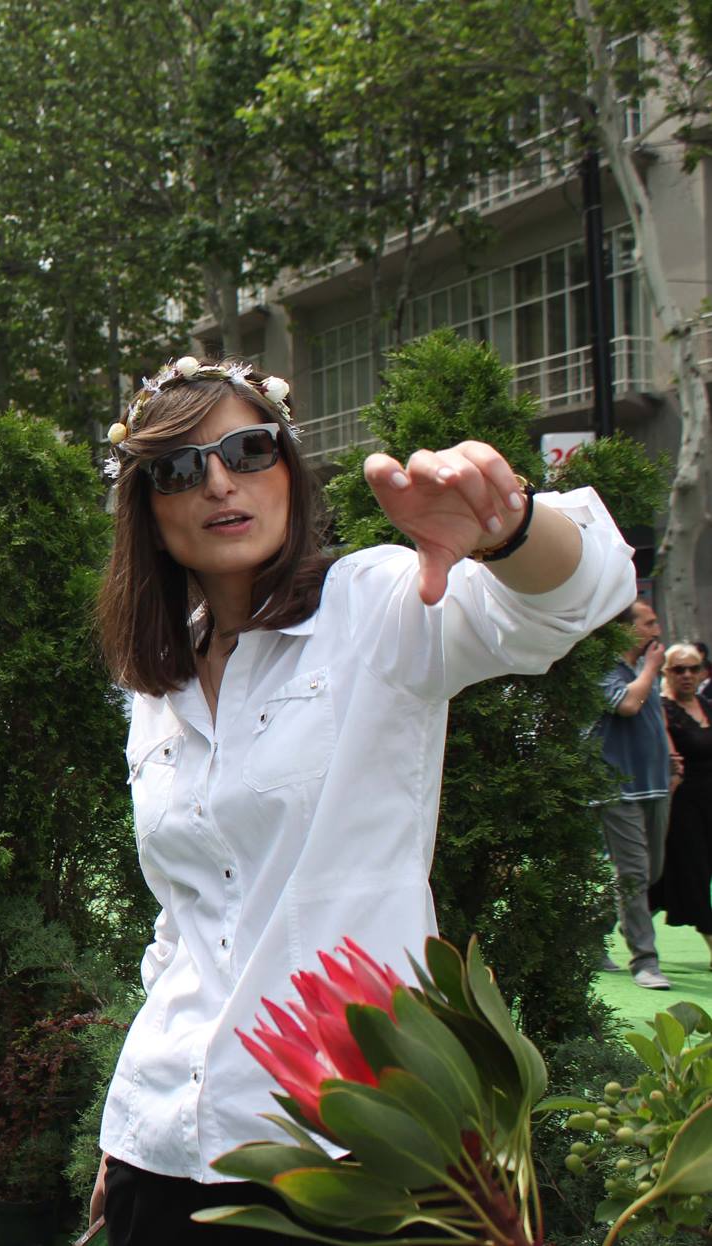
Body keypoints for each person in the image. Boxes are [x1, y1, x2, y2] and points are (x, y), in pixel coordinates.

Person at [88, 356, 635, 1244]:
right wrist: (133, 1134)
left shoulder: (370, 605)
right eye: (179, 469)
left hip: (354, 1144)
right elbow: (187, 920)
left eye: (248, 450)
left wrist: (507, 530)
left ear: (289, 468)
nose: (220, 482)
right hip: (167, 1140)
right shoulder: (158, 682)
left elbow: (569, 601)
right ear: (145, 508)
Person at [596, 598, 675, 989]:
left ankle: (587, 932)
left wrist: (671, 759)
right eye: (649, 623)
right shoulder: (604, 669)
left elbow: (653, 716)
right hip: (618, 789)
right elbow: (628, 704)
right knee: (634, 874)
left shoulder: (644, 670)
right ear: (626, 628)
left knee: (649, 872)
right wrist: (650, 670)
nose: (656, 631)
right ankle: (645, 960)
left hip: (655, 784)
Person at [648, 643, 712, 964]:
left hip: (709, 802)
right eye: (679, 669)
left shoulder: (707, 705)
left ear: (702, 672)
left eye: (693, 668)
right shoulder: (660, 709)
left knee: (658, 886)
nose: (687, 675)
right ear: (666, 673)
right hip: (681, 806)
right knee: (694, 873)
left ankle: (598, 929)